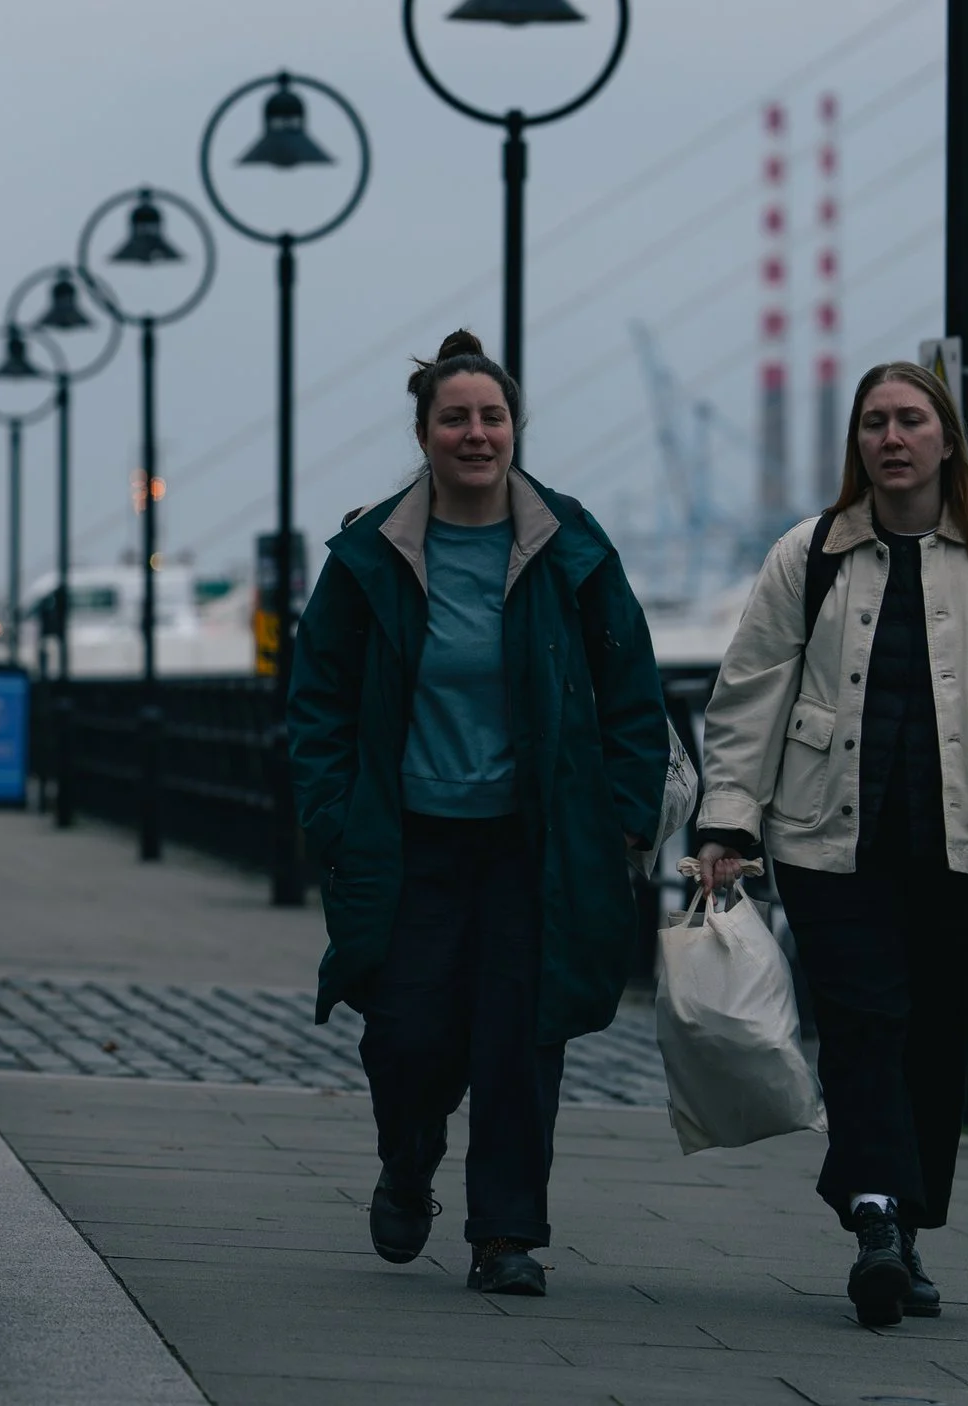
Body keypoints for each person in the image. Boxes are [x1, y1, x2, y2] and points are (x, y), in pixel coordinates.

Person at [693, 361, 968, 1328]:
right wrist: (728, 821)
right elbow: (749, 693)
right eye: (874, 423)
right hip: (831, 838)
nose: (892, 438)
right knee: (863, 1020)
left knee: (938, 1032)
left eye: (911, 420)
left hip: (965, 841)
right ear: (856, 443)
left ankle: (907, 1226)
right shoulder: (810, 555)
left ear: (947, 439)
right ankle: (874, 1218)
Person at [287, 329, 669, 1297]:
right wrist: (331, 815)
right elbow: (318, 696)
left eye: (491, 416)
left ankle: (506, 1233)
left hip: (533, 839)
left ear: (515, 428)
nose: (474, 433)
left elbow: (630, 686)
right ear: (423, 432)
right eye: (454, 417)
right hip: (405, 834)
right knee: (405, 1030)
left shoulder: (569, 543)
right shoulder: (371, 552)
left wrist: (623, 816)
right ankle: (408, 1160)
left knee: (518, 1036)